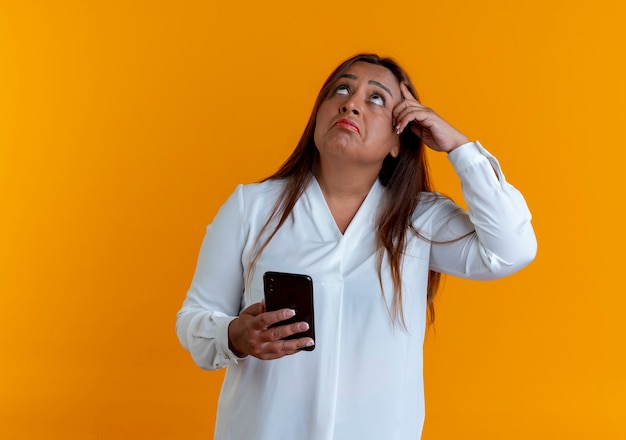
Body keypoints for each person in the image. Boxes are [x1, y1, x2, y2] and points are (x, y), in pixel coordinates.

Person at [176, 53, 536, 439]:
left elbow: (511, 248)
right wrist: (234, 335)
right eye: (342, 90)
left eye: (376, 98)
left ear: (401, 138)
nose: (351, 103)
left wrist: (459, 147)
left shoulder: (418, 220)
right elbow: (194, 318)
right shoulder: (253, 207)